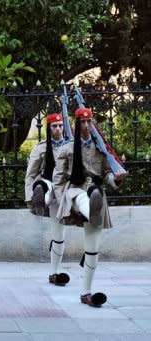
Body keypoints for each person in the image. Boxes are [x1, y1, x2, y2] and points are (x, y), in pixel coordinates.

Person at [53, 107, 127, 307]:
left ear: (93, 123)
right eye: (82, 123)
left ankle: (86, 293)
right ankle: (93, 207)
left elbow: (106, 174)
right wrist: (62, 203)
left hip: (95, 189)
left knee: (93, 247)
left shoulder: (100, 148)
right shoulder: (67, 149)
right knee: (88, 200)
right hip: (76, 191)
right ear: (76, 125)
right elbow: (58, 180)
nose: (86, 126)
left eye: (89, 122)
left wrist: (116, 179)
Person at [24, 113, 70, 286]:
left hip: (65, 192)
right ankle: (39, 197)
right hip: (49, 189)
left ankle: (54, 273)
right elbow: (30, 175)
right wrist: (29, 198)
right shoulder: (41, 148)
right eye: (54, 126)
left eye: (60, 125)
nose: (58, 129)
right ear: (49, 129)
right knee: (42, 185)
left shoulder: (71, 146)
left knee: (59, 235)